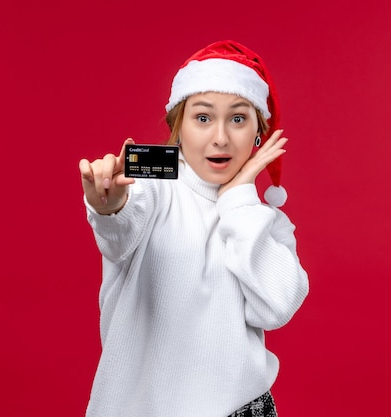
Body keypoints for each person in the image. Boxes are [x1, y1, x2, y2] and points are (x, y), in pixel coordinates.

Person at [79, 40, 309, 417]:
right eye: (203, 118)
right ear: (178, 126)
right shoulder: (150, 185)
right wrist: (108, 209)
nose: (220, 137)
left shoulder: (261, 218)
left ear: (257, 133)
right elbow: (120, 231)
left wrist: (237, 199)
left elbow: (277, 307)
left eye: (238, 118)